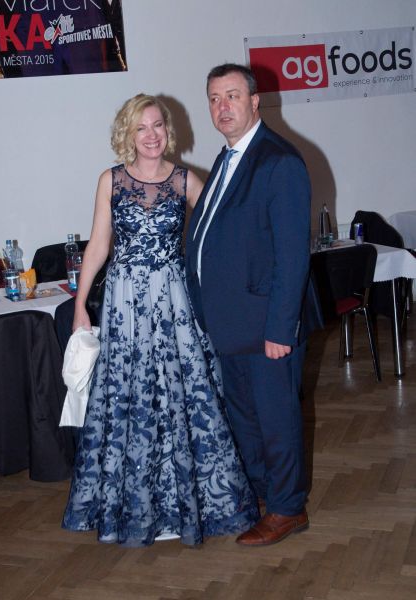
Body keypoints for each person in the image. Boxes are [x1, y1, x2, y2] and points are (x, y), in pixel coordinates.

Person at [62, 93, 259, 547]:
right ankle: (136, 508)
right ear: (128, 133)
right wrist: (79, 305)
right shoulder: (111, 180)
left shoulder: (185, 180)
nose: (151, 135)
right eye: (141, 127)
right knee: (128, 397)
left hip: (174, 303)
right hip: (125, 304)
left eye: (157, 126)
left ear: (168, 130)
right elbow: (99, 245)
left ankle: (185, 505)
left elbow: (221, 230)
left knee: (181, 396)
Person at [186, 63, 318, 546]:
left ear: (255, 101)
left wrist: (281, 329)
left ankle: (288, 509)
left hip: (267, 326)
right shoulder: (227, 159)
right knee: (246, 418)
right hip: (231, 323)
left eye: (233, 96)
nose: (223, 107)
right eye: (214, 98)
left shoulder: (278, 161)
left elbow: (292, 256)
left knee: (276, 420)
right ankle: (265, 496)